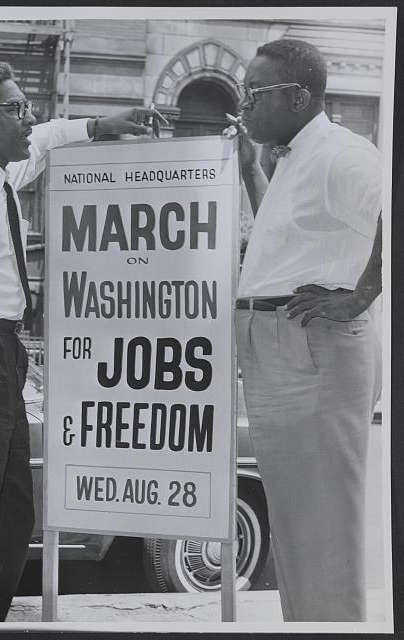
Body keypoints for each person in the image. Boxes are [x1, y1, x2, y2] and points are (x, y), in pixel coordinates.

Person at [0, 60, 158, 623]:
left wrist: (99, 126)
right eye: (15, 108)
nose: (30, 117)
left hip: (0, 355)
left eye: (25, 105)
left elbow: (43, 140)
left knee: (11, 510)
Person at [231, 39, 382, 621]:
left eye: (255, 93)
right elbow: (298, 237)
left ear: (297, 96)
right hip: (284, 352)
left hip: (312, 354)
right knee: (297, 529)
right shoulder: (293, 155)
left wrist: (359, 296)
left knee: (323, 533)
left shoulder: (343, 155)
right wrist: (250, 173)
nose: (244, 106)